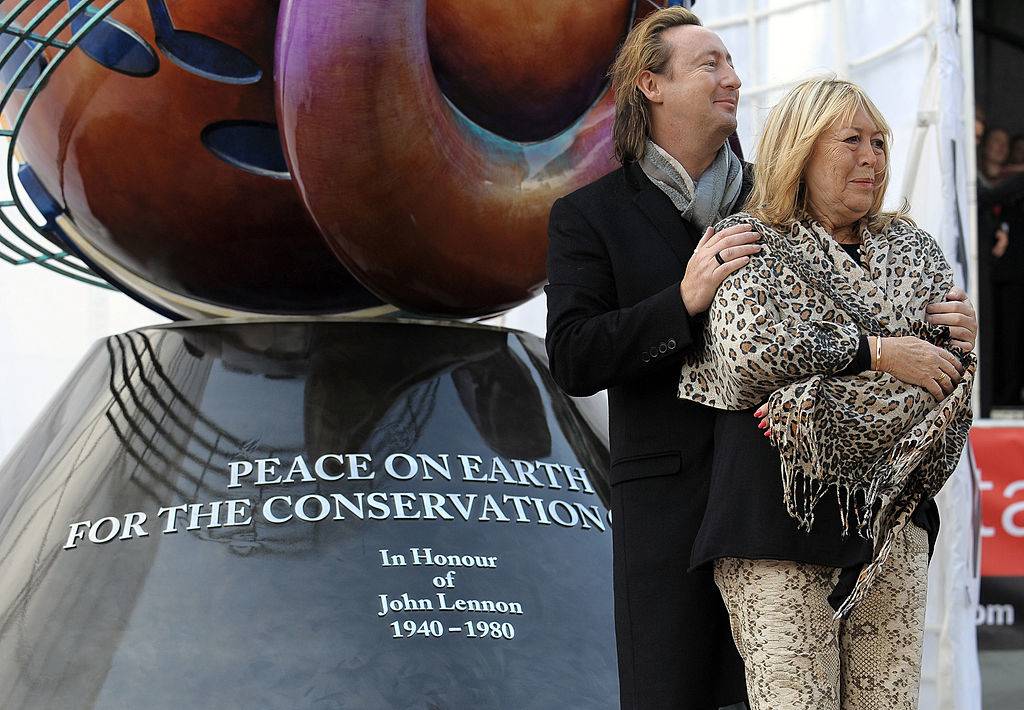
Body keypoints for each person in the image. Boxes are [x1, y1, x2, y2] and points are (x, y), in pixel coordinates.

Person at [544, 8, 978, 710]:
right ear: (650, 85)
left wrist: (951, 327)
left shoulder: (781, 199)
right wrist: (680, 301)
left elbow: (872, 287)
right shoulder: (589, 215)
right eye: (710, 63)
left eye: (733, 64)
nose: (733, 78)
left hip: (791, 508)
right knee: (673, 695)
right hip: (672, 508)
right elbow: (572, 357)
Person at [677, 77, 977, 709]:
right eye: (852, 141)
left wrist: (959, 344)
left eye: (880, 142)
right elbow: (749, 355)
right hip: (773, 513)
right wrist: (881, 353)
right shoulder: (752, 241)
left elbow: (945, 382)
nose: (871, 157)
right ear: (801, 150)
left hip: (890, 518)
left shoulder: (913, 249)